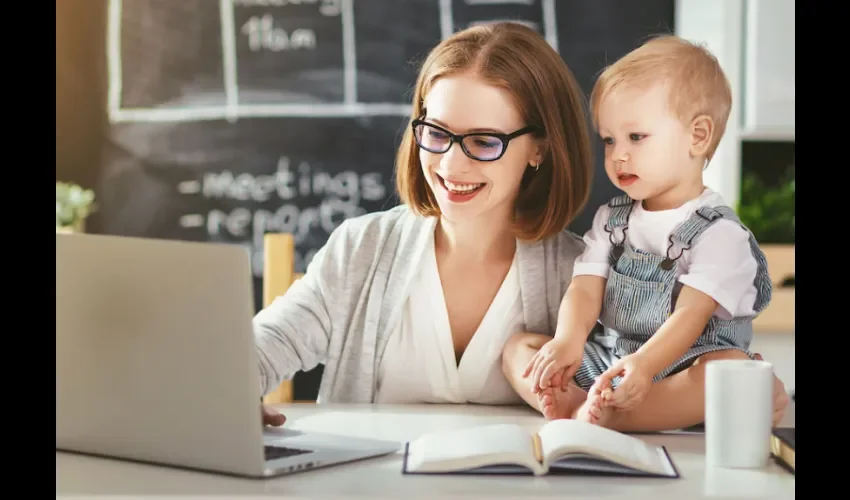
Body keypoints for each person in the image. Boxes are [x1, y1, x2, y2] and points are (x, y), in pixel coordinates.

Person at [256, 22, 595, 427]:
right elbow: (267, 344)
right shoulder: (362, 248)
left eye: (484, 142)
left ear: (539, 148)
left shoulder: (584, 276)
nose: (450, 165)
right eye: (436, 133)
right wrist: (230, 391)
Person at [502, 34, 790, 431]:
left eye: (636, 137)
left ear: (698, 136)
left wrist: (644, 366)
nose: (618, 154)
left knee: (731, 370)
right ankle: (581, 403)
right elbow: (585, 289)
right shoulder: (612, 219)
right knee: (520, 347)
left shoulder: (720, 234)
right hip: (614, 359)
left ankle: (614, 417)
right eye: (609, 140)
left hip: (680, 369)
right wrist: (568, 340)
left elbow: (689, 316)